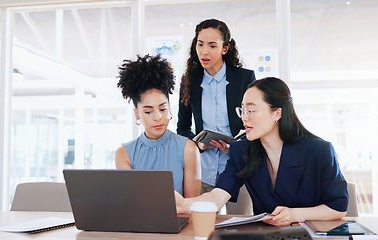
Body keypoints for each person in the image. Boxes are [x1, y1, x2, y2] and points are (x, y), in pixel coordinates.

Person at [175, 77, 349, 226]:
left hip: (309, 233)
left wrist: (295, 215)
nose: (244, 118)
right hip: (266, 235)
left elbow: (338, 207)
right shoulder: (241, 150)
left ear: (277, 113)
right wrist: (182, 204)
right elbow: (216, 198)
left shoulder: (319, 150)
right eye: (242, 110)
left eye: (251, 110)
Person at [177, 19, 255, 193]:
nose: (204, 52)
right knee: (202, 218)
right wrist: (198, 144)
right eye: (200, 44)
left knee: (241, 220)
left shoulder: (245, 79)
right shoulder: (189, 81)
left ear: (224, 48)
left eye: (212, 46)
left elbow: (256, 123)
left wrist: (235, 145)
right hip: (203, 171)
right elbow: (182, 128)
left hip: (239, 167)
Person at [115, 54, 201, 198]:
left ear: (170, 109)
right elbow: (131, 202)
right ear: (137, 114)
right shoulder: (124, 154)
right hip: (139, 220)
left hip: (179, 220)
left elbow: (190, 206)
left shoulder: (189, 149)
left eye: (163, 109)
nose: (158, 117)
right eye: (148, 111)